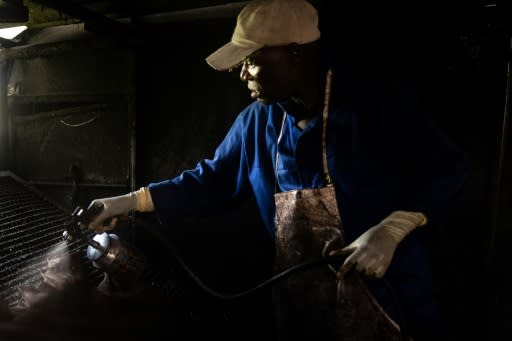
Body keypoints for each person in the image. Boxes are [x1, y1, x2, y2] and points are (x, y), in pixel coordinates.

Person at [85, 0, 467, 340]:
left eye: (251, 61)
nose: (243, 74)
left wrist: (393, 229)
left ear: (294, 54)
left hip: (387, 295)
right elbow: (211, 181)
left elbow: (445, 172)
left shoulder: (377, 102)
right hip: (303, 301)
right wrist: (128, 201)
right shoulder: (257, 122)